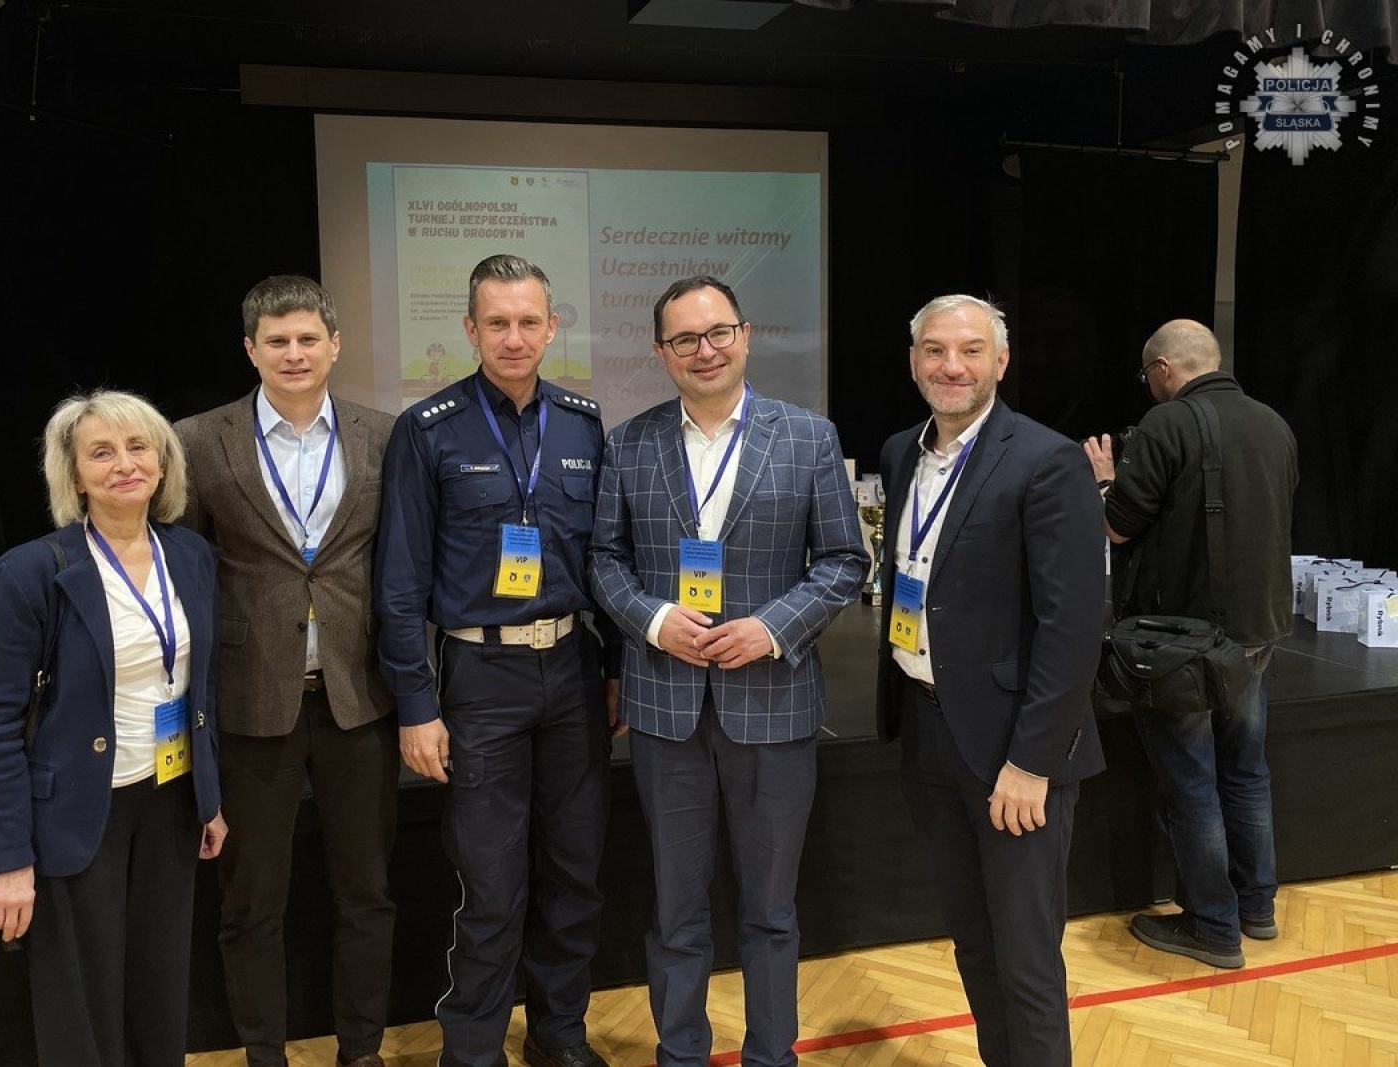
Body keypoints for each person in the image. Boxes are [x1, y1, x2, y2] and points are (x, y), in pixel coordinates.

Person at [588, 276, 865, 1067]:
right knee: (676, 910)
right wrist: (653, 619)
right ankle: (680, 1053)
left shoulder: (808, 437)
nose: (703, 350)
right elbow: (602, 559)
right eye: (684, 339)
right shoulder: (628, 443)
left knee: (771, 911)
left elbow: (843, 561)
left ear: (744, 336)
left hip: (773, 705)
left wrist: (772, 628)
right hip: (664, 710)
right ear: (660, 351)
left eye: (717, 333)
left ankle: (771, 1055)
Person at [375, 253, 616, 1067]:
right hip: (480, 679)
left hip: (573, 670)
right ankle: (473, 1050)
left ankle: (559, 1034)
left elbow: (608, 559)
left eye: (529, 322)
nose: (514, 337)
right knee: (491, 882)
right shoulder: (428, 429)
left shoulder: (582, 424)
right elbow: (400, 582)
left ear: (553, 328)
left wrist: (615, 671)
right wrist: (416, 703)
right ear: (470, 329)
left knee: (575, 871)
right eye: (498, 323)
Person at [176, 276, 398, 1067]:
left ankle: (362, 1050)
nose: (294, 353)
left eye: (308, 338)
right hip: (249, 703)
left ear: (335, 344)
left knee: (366, 894)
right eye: (277, 341)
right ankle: (263, 1054)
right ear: (251, 349)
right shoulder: (197, 440)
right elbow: (184, 573)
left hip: (358, 697)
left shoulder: (384, 435)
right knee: (251, 903)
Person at [876, 295, 1104, 1067]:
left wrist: (1032, 761)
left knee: (1027, 959)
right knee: (973, 942)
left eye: (971, 350)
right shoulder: (901, 452)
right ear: (914, 361)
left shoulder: (1047, 460)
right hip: (930, 732)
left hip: (1014, 749)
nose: (952, 365)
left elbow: (1073, 628)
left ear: (1000, 362)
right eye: (935, 350)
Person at [0, 389, 226, 1067]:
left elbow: (198, 686)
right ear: (75, 474)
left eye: (139, 447)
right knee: (82, 1010)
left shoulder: (190, 555)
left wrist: (209, 797)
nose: (124, 465)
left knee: (160, 994)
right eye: (101, 452)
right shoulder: (30, 572)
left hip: (168, 802)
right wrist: (6, 858)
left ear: (163, 464)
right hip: (78, 814)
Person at [1085, 319, 1298, 969]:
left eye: (1147, 375)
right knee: (1247, 771)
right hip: (1257, 633)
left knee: (1191, 781)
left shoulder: (1167, 424)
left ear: (1162, 369)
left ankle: (1212, 926)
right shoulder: (1274, 423)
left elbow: (1118, 527)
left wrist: (1103, 479)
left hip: (1186, 645)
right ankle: (1256, 908)